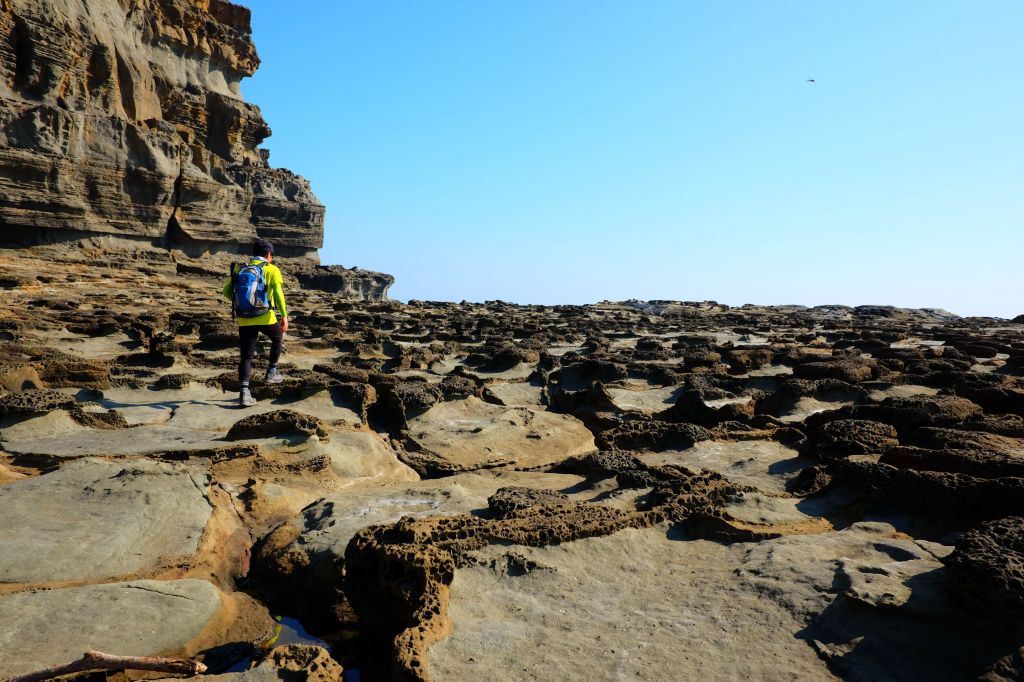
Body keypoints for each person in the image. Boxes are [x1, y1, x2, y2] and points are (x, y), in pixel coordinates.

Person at [222, 239, 289, 407]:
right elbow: (278, 294)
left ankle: (244, 393)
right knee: (278, 338)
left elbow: (226, 292)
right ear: (269, 254)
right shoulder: (271, 269)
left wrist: (243, 305)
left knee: (246, 357)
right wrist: (284, 316)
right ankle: (271, 372)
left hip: (245, 319)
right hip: (266, 316)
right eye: (272, 255)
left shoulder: (240, 269)